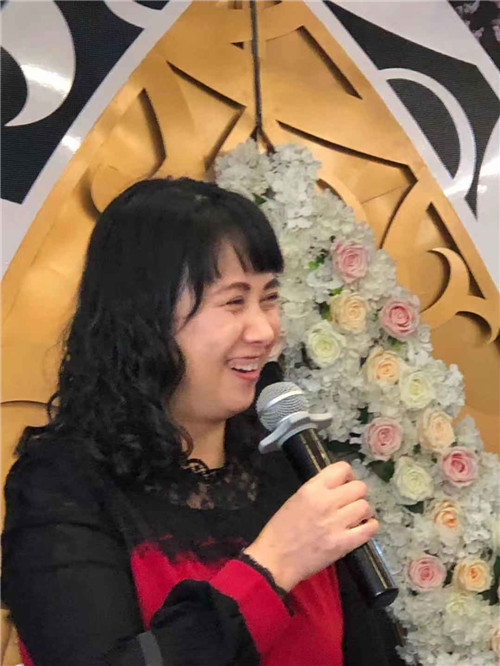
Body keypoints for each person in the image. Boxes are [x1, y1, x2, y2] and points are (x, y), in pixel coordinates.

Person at [2, 178, 401, 666]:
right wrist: (272, 566)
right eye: (234, 301)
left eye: (269, 298)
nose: (264, 330)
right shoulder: (61, 485)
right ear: (145, 317)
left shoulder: (287, 464)